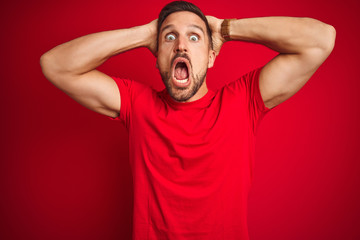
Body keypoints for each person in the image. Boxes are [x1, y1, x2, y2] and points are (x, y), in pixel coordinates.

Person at [40, 1, 335, 239]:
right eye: (170, 37)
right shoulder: (136, 103)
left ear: (210, 55)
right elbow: (55, 65)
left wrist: (224, 29)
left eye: (194, 37)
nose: (181, 46)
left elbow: (321, 39)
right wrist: (144, 34)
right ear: (156, 56)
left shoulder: (242, 100)